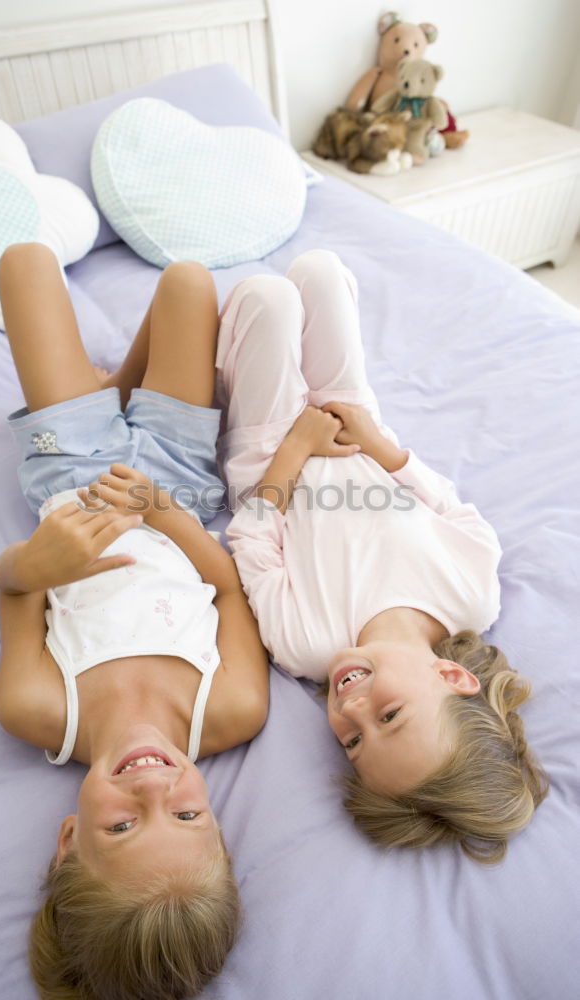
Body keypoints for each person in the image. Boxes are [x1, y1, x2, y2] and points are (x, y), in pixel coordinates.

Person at [0, 243, 269, 1000]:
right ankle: (114, 389)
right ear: (215, 828)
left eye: (122, 828)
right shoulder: (230, 710)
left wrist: (35, 565)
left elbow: (12, 591)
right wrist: (161, 509)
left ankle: (101, 399)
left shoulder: (40, 711)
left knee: (23, 262)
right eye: (185, 816)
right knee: (188, 281)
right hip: (176, 480)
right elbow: (229, 591)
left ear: (68, 843)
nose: (154, 790)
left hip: (67, 470)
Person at [214, 248, 547, 863]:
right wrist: (377, 443)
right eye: (388, 715)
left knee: (269, 298)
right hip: (358, 431)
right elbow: (448, 507)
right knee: (320, 271)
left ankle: (232, 369)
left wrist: (292, 450)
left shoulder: (307, 646)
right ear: (452, 677)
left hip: (269, 456)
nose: (351, 713)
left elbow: (252, 538)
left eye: (353, 743)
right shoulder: (470, 594)